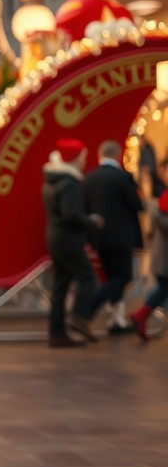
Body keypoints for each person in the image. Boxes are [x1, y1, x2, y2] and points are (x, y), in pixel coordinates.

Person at [42, 138, 103, 347]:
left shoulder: (52, 180)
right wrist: (92, 221)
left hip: (55, 237)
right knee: (88, 278)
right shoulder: (69, 183)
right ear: (74, 159)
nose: (85, 161)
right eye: (83, 157)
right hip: (68, 239)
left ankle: (57, 333)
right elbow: (72, 215)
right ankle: (79, 317)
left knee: (60, 286)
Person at [82, 139, 144, 334]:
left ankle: (116, 322)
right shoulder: (123, 177)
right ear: (118, 154)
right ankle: (87, 310)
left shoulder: (89, 178)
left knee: (111, 277)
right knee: (123, 276)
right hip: (121, 237)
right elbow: (136, 205)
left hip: (99, 237)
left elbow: (85, 209)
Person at [131, 189, 168, 340]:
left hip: (162, 259)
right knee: (163, 289)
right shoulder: (163, 211)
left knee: (162, 289)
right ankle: (141, 315)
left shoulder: (161, 207)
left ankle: (141, 315)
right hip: (164, 260)